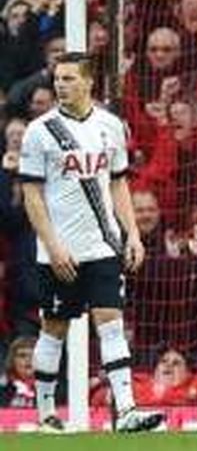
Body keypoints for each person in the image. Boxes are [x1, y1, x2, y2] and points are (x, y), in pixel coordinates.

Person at [18, 52, 164, 433]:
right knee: (55, 328)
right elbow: (32, 194)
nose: (60, 86)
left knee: (111, 323)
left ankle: (127, 410)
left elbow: (118, 182)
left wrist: (131, 232)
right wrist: (52, 245)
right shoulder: (40, 131)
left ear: (89, 82)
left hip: (102, 245)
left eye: (68, 79)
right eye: (58, 79)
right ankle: (47, 414)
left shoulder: (111, 126)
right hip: (59, 250)